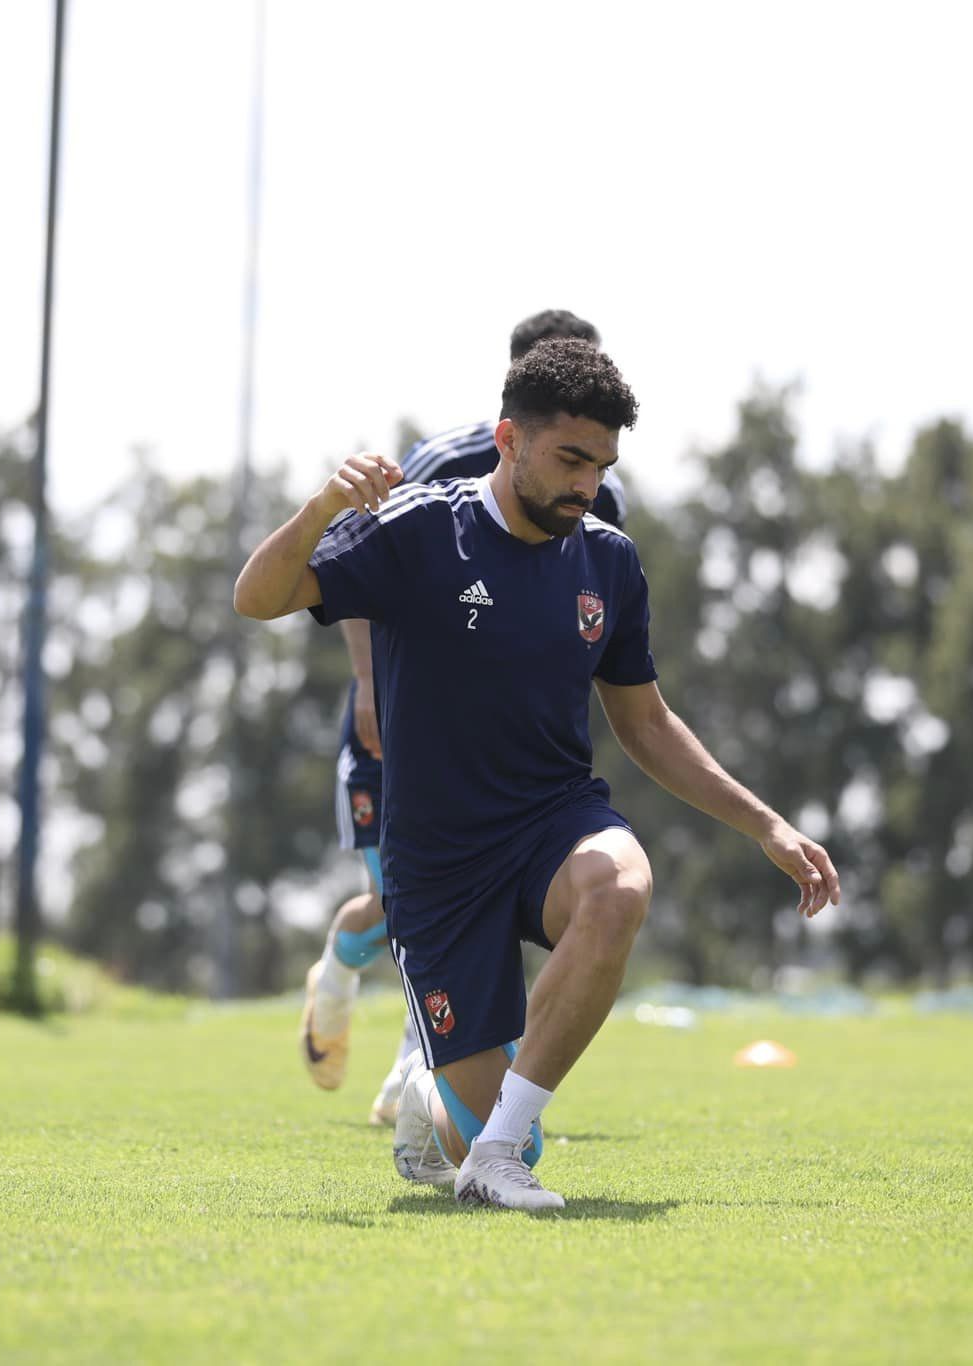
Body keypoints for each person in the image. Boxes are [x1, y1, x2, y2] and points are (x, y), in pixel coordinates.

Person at [237, 339, 838, 1209]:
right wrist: (323, 507)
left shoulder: (609, 562)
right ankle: (454, 1114)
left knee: (620, 886)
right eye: (570, 458)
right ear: (508, 439)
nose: (587, 484)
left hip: (552, 823)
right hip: (438, 867)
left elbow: (647, 722)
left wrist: (767, 825)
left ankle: (496, 1156)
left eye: (602, 465)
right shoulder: (418, 529)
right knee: (489, 1114)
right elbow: (255, 597)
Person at [299, 309, 631, 1129]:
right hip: (399, 715)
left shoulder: (599, 502)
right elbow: (365, 562)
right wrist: (369, 686)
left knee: (520, 898)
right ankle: (345, 983)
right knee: (394, 903)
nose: (585, 467)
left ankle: (449, 1084)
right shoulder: (441, 465)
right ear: (515, 414)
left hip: (509, 764)